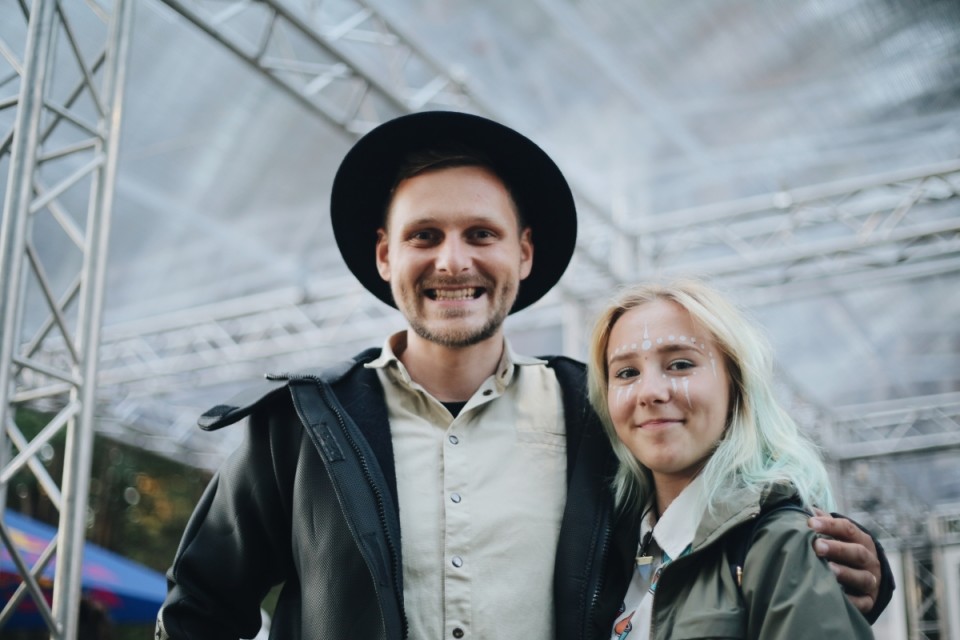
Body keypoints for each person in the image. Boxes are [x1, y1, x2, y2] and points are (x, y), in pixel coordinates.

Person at [155, 111, 892, 640]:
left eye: (481, 234)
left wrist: (853, 554)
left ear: (524, 254)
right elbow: (200, 609)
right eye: (424, 236)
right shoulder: (299, 425)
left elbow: (723, 489)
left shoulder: (597, 411)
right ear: (385, 256)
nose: (453, 261)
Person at [585, 279, 877, 638]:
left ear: (735, 383)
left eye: (679, 364)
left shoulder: (781, 543)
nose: (650, 392)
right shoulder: (602, 545)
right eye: (627, 373)